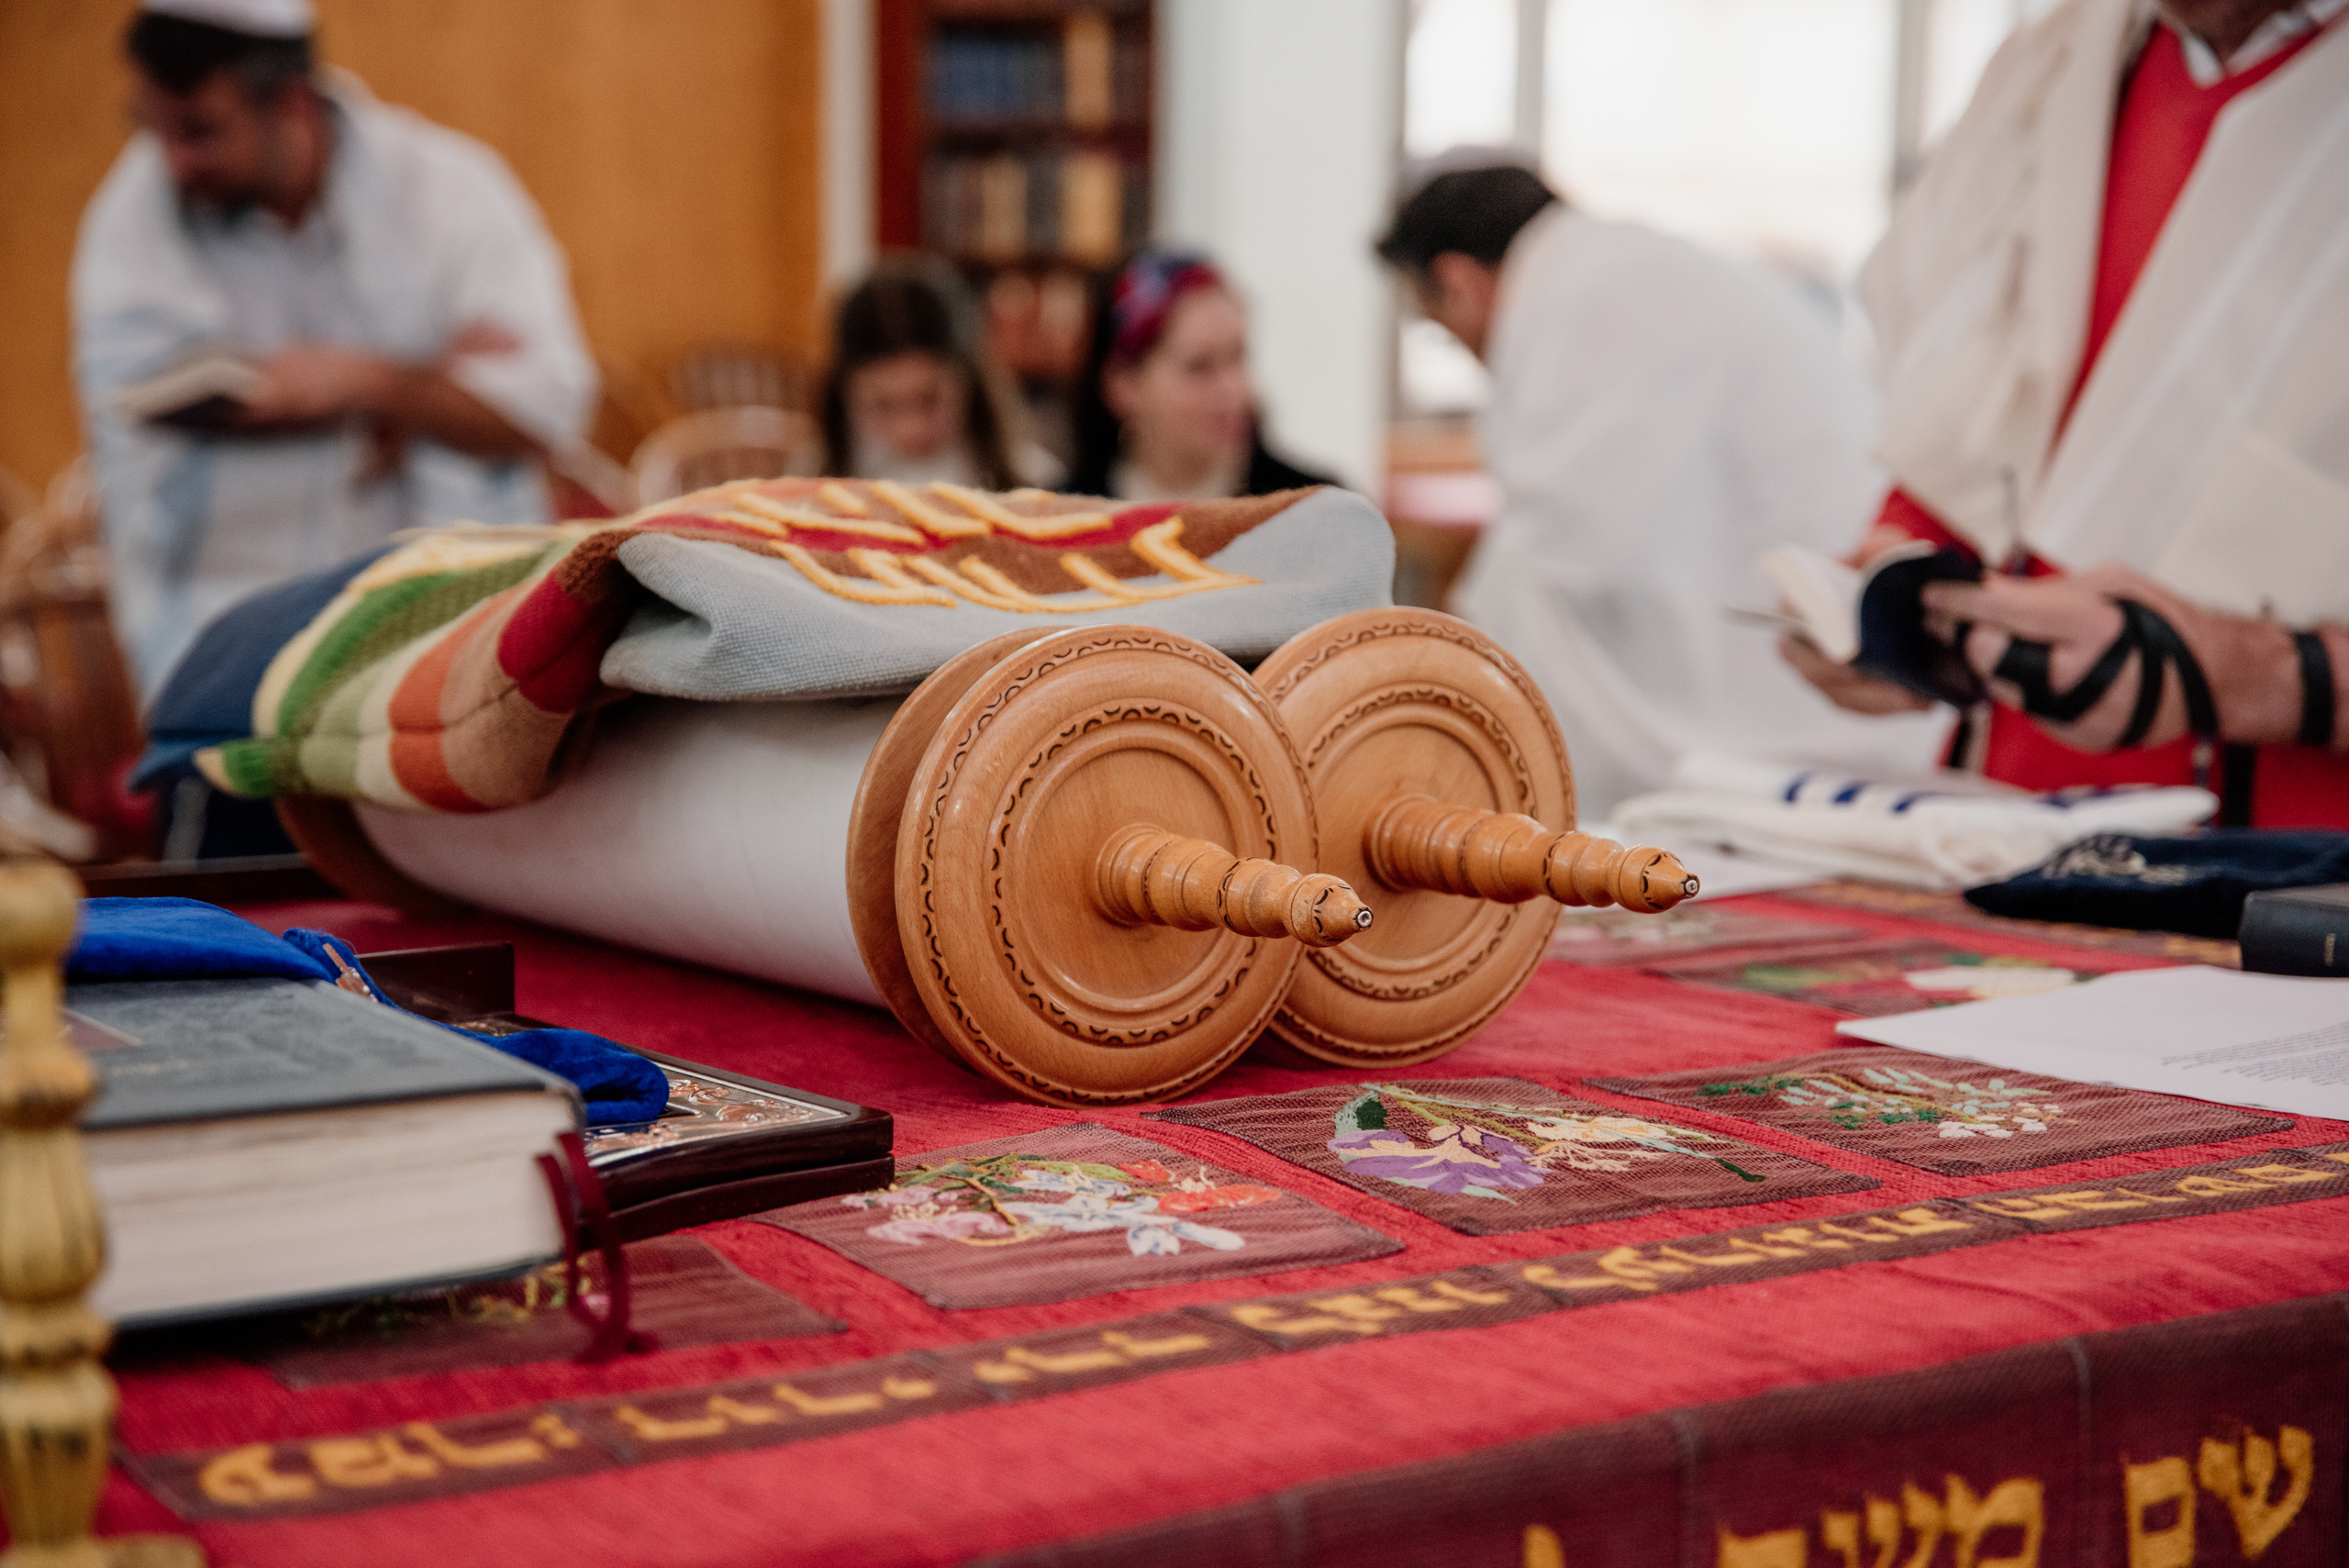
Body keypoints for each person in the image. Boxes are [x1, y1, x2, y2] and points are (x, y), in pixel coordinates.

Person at [1784, 0, 2349, 829]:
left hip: (2292, 884)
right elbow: (1977, 443)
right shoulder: (2051, 71)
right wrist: (1895, 596)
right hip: (1998, 834)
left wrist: (2246, 671)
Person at [1375, 163, 1940, 817]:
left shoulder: (1590, 291)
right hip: (1831, 629)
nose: (1470, 353)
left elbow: (1569, 542)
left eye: (1443, 330)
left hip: (1816, 679)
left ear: (1458, 281)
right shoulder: (1623, 267)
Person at [73, 0, 596, 697]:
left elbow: (551, 408)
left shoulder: (451, 191)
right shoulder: (132, 220)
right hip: (226, 662)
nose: (172, 161)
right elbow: (134, 416)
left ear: (290, 102)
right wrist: (436, 382)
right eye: (153, 128)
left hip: (459, 655)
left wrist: (369, 383)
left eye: (200, 131)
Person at [1064, 251, 1335, 503]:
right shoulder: (1063, 520)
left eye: (1238, 357)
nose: (1234, 389)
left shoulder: (1311, 510)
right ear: (1122, 385)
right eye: (1199, 367)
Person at [818, 258, 1060, 488]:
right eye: (883, 405)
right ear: (845, 396)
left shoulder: (1036, 483)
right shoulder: (809, 483)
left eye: (929, 399)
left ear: (970, 381)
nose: (911, 429)